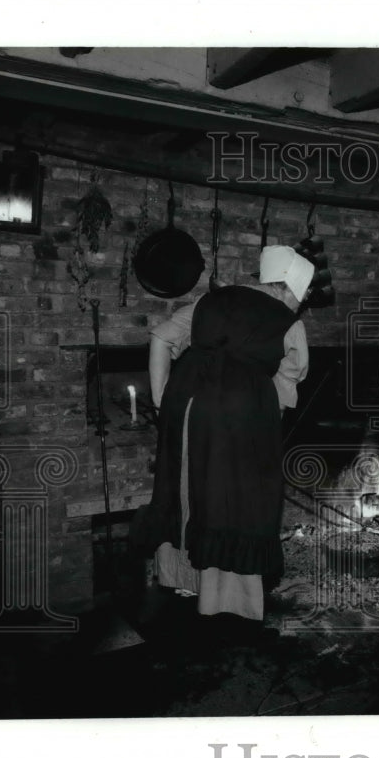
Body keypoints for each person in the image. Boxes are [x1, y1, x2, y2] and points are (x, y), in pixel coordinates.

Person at [142, 245, 313, 621]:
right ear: (291, 288)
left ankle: (184, 578)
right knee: (236, 498)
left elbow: (161, 338)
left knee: (187, 485)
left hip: (184, 404)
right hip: (241, 414)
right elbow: (287, 384)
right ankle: (224, 597)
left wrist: (161, 401)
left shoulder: (210, 301)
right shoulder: (289, 323)